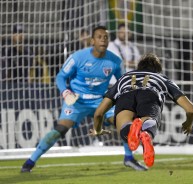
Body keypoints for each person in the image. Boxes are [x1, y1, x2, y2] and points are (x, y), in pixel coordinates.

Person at [21, 26, 147, 172]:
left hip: (100, 101)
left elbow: (123, 82)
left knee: (123, 122)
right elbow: (61, 77)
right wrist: (66, 92)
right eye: (99, 37)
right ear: (92, 41)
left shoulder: (115, 61)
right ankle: (30, 162)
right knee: (59, 130)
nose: (103, 40)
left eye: (106, 37)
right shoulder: (78, 57)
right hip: (77, 102)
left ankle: (129, 158)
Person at [89, 53, 193, 168]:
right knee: (148, 124)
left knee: (124, 126)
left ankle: (131, 129)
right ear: (158, 69)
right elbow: (191, 109)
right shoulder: (161, 78)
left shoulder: (124, 77)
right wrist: (188, 123)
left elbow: (99, 113)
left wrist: (98, 130)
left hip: (126, 96)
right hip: (150, 95)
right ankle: (146, 134)